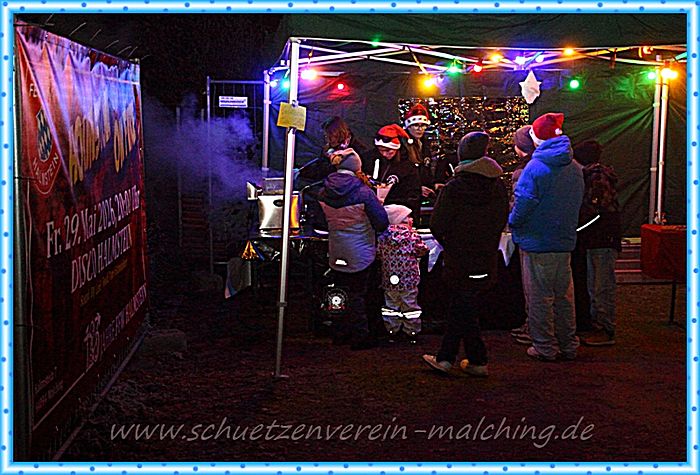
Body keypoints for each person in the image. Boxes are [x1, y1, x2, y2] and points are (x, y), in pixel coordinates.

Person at [422, 131, 509, 377]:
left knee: (463, 303)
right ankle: (464, 360)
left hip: (459, 258)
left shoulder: (454, 188)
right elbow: (502, 218)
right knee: (464, 304)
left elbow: (437, 224)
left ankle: (459, 359)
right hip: (485, 256)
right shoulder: (497, 187)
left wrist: (451, 245)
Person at [509, 113, 585, 362]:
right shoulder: (574, 167)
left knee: (539, 297)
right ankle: (568, 344)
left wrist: (512, 221)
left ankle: (544, 346)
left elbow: (523, 205)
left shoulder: (535, 168)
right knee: (564, 296)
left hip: (537, 241)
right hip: (564, 240)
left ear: (536, 138)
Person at [318, 148, 389, 350]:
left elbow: (321, 222)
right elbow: (381, 222)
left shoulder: (323, 192)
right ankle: (361, 336)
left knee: (339, 290)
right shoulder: (364, 193)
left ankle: (339, 333)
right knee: (358, 293)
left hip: (336, 249)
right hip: (361, 251)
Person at [574, 140, 621, 346]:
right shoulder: (598, 175)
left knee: (601, 284)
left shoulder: (595, 177)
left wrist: (576, 227)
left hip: (601, 237)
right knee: (597, 283)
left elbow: (596, 210)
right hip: (600, 237)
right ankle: (599, 324)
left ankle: (605, 328)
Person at [376, 204, 429, 344]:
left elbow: (378, 253)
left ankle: (392, 331)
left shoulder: (383, 237)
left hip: (389, 278)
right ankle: (411, 332)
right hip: (409, 279)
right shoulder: (412, 236)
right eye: (408, 217)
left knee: (391, 305)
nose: (411, 219)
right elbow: (423, 249)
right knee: (410, 306)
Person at [508, 125, 537, 346]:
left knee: (533, 287)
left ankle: (534, 329)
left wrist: (512, 221)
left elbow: (520, 204)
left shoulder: (523, 171)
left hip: (530, 235)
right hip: (556, 235)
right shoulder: (567, 167)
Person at [369, 124, 422, 217]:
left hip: (400, 213)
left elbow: (413, 195)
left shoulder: (408, 167)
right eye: (381, 150)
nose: (384, 154)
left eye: (388, 151)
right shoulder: (372, 160)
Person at [402, 103, 438, 201]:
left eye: (423, 125)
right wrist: (417, 188)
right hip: (409, 195)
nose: (420, 129)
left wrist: (433, 185)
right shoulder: (403, 147)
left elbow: (426, 169)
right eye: (416, 125)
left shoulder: (425, 144)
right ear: (408, 127)